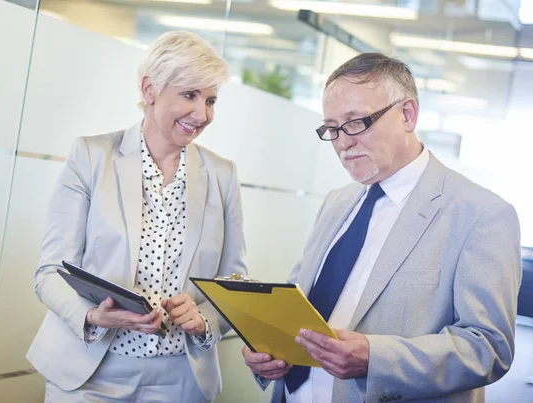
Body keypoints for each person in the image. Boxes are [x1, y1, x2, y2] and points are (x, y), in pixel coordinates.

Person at [242, 53, 522, 403]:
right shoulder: (337, 202)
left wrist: (375, 359)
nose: (342, 143)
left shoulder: (480, 214)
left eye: (356, 122)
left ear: (407, 114)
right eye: (332, 128)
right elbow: (298, 303)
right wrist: (266, 349)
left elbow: (488, 346)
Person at [27, 30, 247, 402]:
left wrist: (205, 319)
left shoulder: (222, 174)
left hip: (181, 380)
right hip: (90, 374)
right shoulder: (92, 157)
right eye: (189, 95)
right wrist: (94, 316)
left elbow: (234, 282)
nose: (202, 114)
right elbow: (50, 273)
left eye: (210, 100)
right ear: (149, 90)